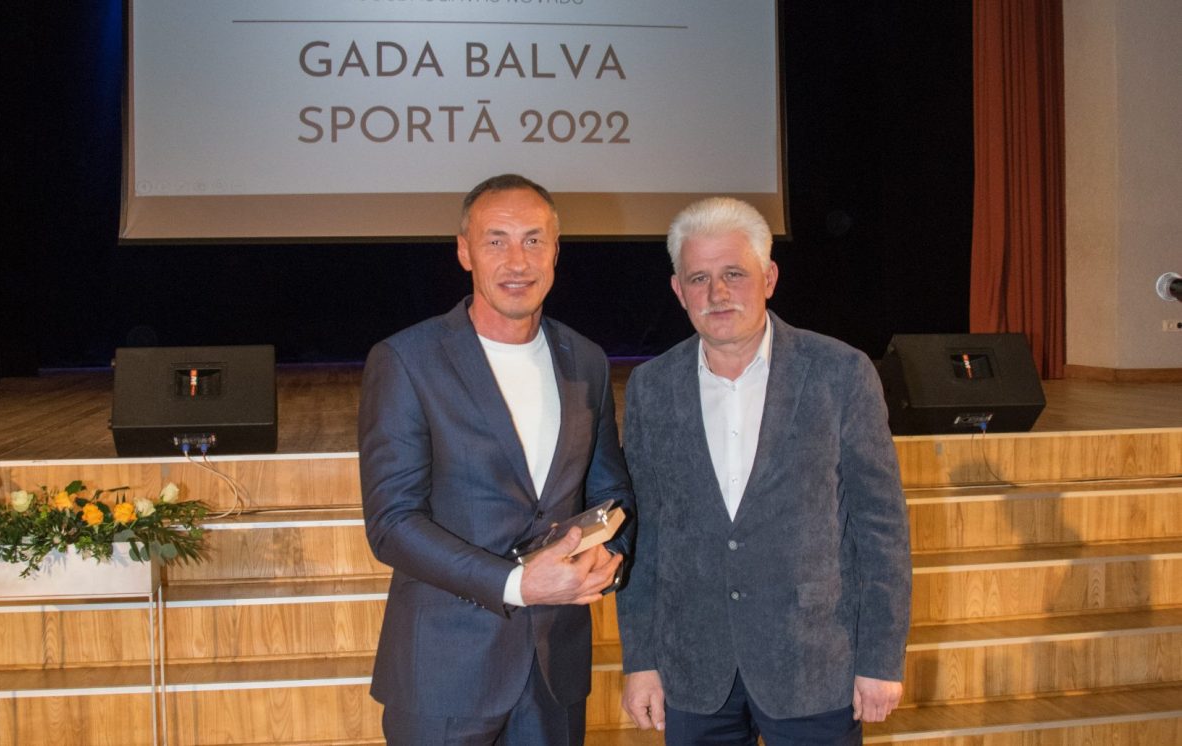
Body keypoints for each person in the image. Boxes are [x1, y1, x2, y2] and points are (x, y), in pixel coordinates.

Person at [616, 197, 911, 745]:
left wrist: (881, 659)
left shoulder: (840, 373)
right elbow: (645, 536)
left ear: (769, 277)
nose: (717, 293)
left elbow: (881, 529)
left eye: (734, 273)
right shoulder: (651, 388)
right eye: (699, 278)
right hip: (692, 670)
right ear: (678, 290)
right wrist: (642, 660)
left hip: (813, 665)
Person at [358, 173, 634, 745]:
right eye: (496, 241)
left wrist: (610, 552)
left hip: (555, 673)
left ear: (555, 251)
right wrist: (517, 584)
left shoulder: (585, 359)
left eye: (534, 240)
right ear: (465, 252)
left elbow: (611, 490)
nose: (517, 261)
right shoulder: (407, 360)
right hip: (444, 676)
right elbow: (392, 523)